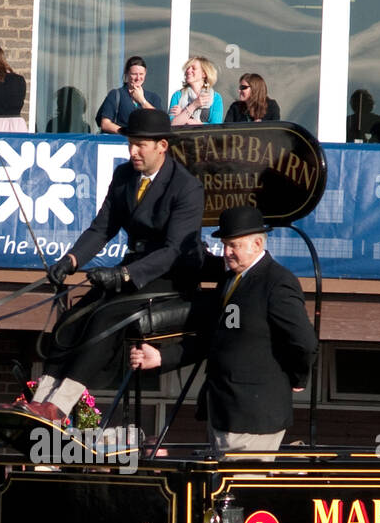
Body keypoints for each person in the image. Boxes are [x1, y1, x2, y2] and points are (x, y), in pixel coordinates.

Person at [25, 108, 205, 424]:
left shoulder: (185, 186)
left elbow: (173, 250)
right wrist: (70, 261)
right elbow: (102, 228)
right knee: (75, 316)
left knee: (105, 315)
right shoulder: (124, 176)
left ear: (162, 145)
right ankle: (40, 399)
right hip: (134, 267)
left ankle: (60, 406)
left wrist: (123, 274)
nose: (133, 151)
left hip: (171, 276)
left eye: (140, 146)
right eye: (130, 144)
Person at [129, 206, 317, 456]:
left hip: (253, 417)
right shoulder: (230, 281)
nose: (226, 253)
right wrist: (163, 357)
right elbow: (214, 338)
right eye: (225, 245)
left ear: (257, 243)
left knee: (240, 489)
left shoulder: (277, 282)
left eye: (234, 245)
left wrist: (297, 377)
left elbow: (304, 342)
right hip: (222, 412)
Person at [96, 55, 161, 134]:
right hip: (119, 143)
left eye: (141, 74)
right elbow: (105, 124)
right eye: (134, 74)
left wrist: (142, 100)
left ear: (145, 73)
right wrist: (128, 133)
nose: (138, 78)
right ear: (127, 73)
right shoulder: (115, 95)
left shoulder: (153, 98)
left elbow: (159, 124)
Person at [168, 56, 223, 127]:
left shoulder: (216, 98)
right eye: (187, 68)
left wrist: (183, 115)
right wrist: (194, 105)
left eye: (193, 68)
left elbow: (216, 127)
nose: (188, 71)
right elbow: (172, 124)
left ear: (204, 74)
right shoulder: (178, 95)